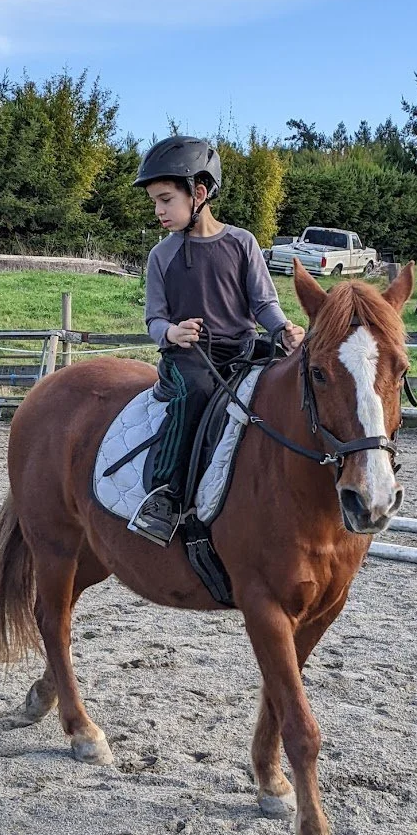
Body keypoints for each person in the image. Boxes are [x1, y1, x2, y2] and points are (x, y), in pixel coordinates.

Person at [129, 135, 304, 544]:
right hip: (189, 357)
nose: (158, 210)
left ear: (200, 193)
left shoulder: (242, 243)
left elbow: (263, 303)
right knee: (195, 395)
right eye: (155, 201)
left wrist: (283, 329)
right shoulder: (161, 256)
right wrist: (171, 332)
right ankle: (166, 495)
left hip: (241, 350)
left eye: (166, 199)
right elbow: (153, 318)